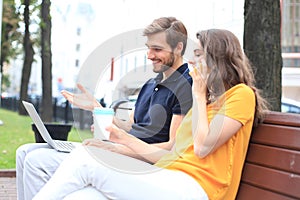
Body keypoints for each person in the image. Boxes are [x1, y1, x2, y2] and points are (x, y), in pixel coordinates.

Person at [32, 29, 269, 200]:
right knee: (83, 196)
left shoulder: (241, 94)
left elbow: (203, 147)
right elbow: (171, 153)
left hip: (198, 189)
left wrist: (197, 94)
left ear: (218, 57)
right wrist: (121, 141)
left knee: (86, 160)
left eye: (199, 53)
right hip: (168, 177)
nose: (193, 60)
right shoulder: (205, 103)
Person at [16, 16, 193, 200]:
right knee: (25, 152)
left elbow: (171, 148)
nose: (149, 55)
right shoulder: (150, 83)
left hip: (139, 162)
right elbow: (130, 125)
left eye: (157, 49)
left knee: (36, 162)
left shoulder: (186, 85)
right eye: (149, 48)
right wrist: (97, 108)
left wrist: (115, 149)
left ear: (178, 47)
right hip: (119, 151)